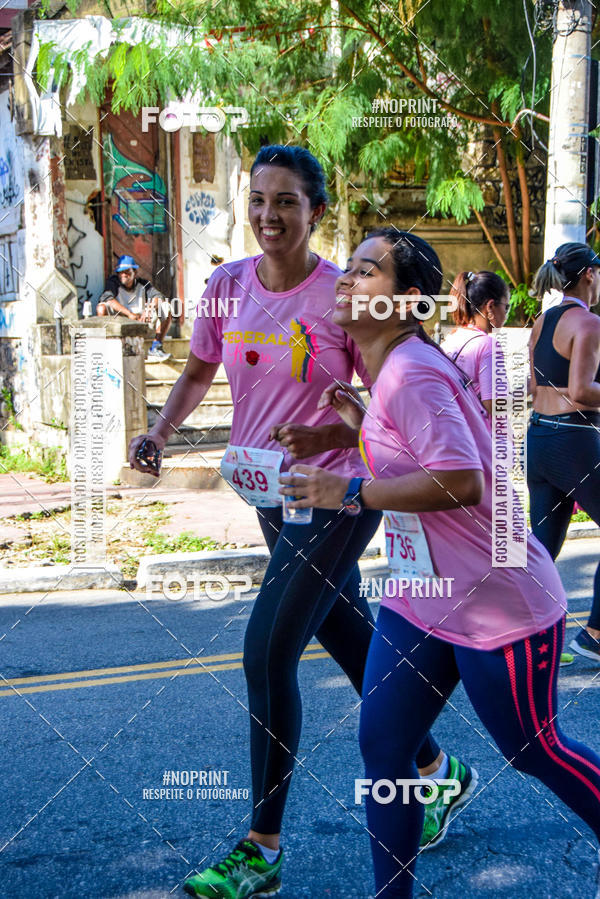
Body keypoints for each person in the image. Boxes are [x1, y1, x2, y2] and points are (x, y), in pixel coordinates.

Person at [128, 147, 472, 899]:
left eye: (285, 201)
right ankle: (433, 769)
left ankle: (262, 847)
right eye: (257, 199)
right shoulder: (224, 285)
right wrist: (159, 430)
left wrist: (345, 440)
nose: (267, 215)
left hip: (336, 494)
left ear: (315, 211)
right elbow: (196, 370)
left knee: (266, 651)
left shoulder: (339, 295)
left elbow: (389, 403)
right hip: (267, 494)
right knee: (346, 632)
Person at [281, 228, 600, 898]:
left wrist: (349, 489)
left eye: (367, 272)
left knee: (533, 749)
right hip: (421, 597)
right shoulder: (392, 369)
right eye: (351, 267)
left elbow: (461, 480)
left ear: (405, 303)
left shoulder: (411, 369)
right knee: (385, 748)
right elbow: (411, 442)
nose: (346, 280)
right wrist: (344, 429)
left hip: (497, 602)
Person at [528, 243, 600, 663]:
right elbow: (581, 390)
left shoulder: (542, 321)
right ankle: (593, 636)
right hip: (571, 439)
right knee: (541, 545)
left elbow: (534, 388)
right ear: (589, 273)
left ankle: (511, 628)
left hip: (538, 439)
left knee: (542, 545)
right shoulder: (587, 322)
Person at [442, 270, 510, 415]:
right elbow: (493, 406)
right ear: (490, 306)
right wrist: (524, 390)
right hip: (477, 435)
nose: (506, 315)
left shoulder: (451, 339)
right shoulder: (488, 345)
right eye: (506, 307)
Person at [97, 254, 172, 362]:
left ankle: (156, 347)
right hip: (119, 327)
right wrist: (129, 314)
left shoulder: (143, 284)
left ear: (135, 273)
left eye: (127, 271)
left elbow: (158, 297)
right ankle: (106, 347)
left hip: (141, 325)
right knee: (101, 308)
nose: (124, 275)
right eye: (121, 272)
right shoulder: (113, 282)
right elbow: (107, 298)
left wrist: (149, 308)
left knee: (165, 306)